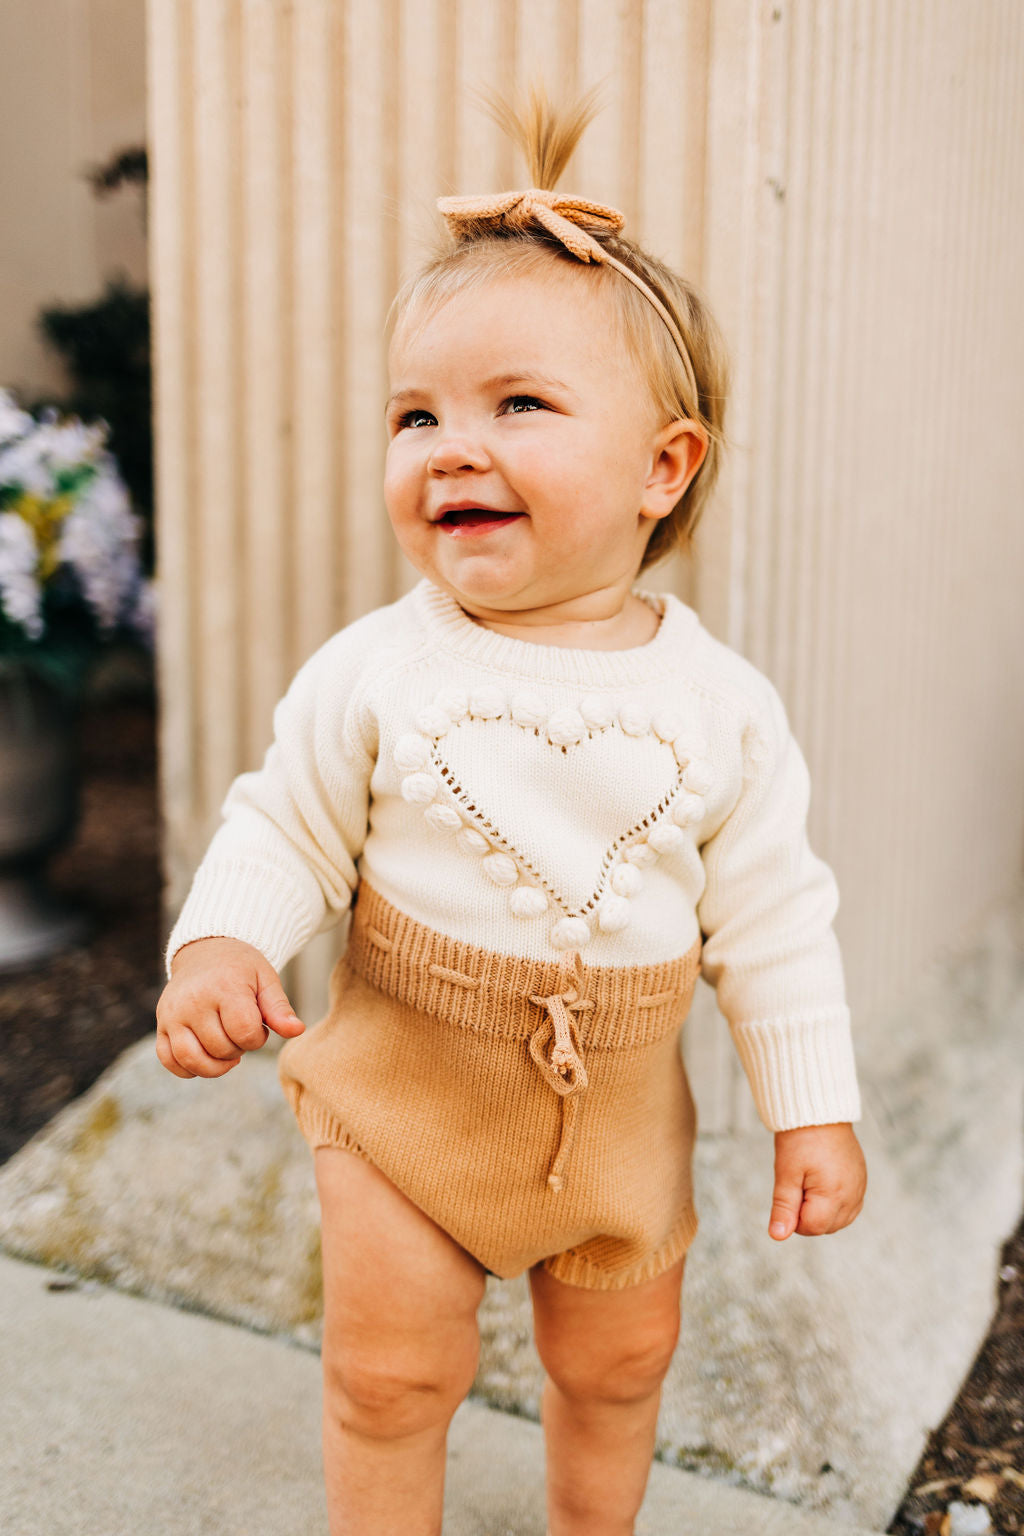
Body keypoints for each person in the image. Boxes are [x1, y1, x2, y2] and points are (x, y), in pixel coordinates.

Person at [156, 88, 866, 1536]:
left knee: (617, 1370)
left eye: (518, 406)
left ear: (665, 468)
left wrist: (814, 1110)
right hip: (407, 1100)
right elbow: (287, 821)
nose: (448, 448)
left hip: (617, 1131)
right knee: (386, 1378)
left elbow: (776, 918)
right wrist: (219, 948)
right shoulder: (380, 665)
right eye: (416, 413)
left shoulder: (722, 704)